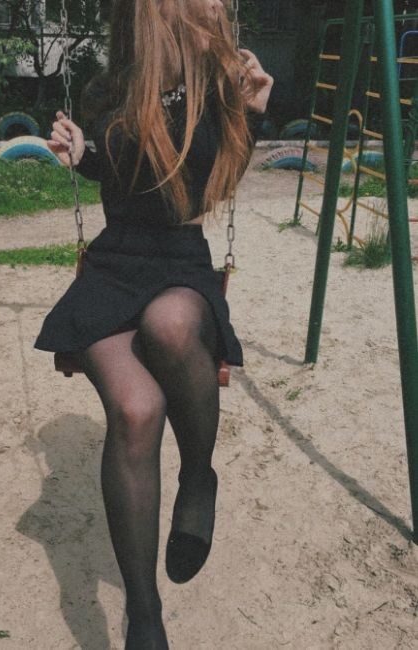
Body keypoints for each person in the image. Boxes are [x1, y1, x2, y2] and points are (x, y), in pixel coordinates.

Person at [35, 1, 273, 647]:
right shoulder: (108, 88)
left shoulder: (219, 88)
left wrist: (251, 115)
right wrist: (83, 154)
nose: (216, 8)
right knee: (136, 411)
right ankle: (145, 614)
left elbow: (210, 187)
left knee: (170, 325)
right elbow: (122, 174)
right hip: (114, 265)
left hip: (179, 262)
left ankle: (197, 475)